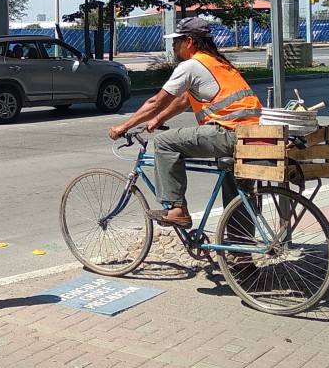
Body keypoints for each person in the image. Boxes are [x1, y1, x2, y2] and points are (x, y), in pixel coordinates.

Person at [108, 17, 262, 229]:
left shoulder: (192, 65)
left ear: (189, 42)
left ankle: (176, 209)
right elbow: (183, 100)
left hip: (228, 132)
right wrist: (158, 119)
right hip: (250, 134)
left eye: (176, 40)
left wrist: (123, 127)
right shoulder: (217, 62)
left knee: (164, 142)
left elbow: (156, 102)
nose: (173, 45)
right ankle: (241, 256)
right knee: (235, 189)